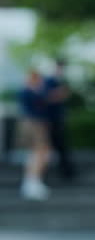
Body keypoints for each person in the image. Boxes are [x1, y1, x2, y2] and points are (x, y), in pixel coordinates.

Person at [17, 68, 52, 200]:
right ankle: (32, 182)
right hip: (34, 124)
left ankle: (31, 182)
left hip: (30, 124)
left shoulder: (26, 91)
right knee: (40, 153)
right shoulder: (29, 91)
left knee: (35, 154)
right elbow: (42, 101)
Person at [44, 58, 77, 180]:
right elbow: (46, 98)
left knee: (61, 146)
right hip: (51, 120)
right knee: (55, 146)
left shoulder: (60, 81)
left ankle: (67, 172)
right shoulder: (49, 81)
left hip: (58, 118)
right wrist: (59, 93)